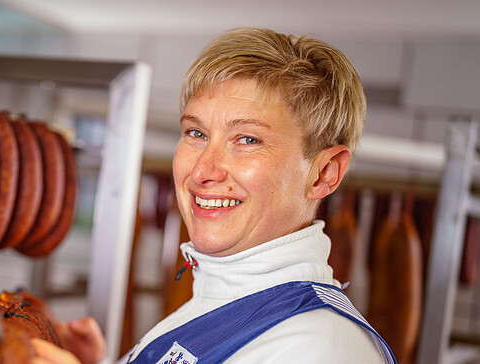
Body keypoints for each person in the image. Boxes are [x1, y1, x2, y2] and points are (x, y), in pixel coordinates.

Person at [32, 27, 395, 364]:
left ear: (323, 174)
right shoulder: (223, 303)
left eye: (248, 140)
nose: (203, 171)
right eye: (196, 133)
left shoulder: (315, 347)